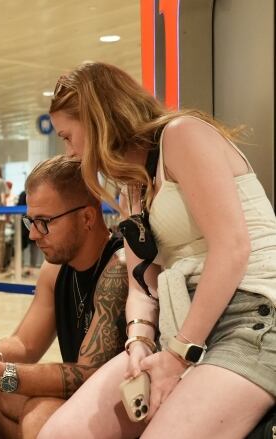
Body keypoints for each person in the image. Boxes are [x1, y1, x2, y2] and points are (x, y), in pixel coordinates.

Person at [38, 62, 276, 439]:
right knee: (61, 433)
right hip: (180, 323)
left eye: (68, 136)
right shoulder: (133, 184)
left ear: (98, 120)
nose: (68, 152)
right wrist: (139, 342)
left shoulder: (182, 136)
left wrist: (178, 355)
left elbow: (232, 248)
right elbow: (141, 284)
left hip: (252, 320)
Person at [0, 155, 128, 439]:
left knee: (39, 412)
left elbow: (87, 374)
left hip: (122, 406)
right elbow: (24, 344)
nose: (33, 235)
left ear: (87, 217)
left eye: (44, 222)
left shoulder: (119, 267)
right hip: (84, 396)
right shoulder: (55, 270)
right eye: (31, 221)